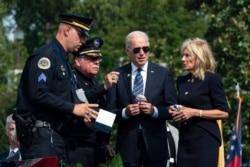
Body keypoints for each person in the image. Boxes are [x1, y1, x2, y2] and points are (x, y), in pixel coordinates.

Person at [13, 13, 99, 164]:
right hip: (42, 138)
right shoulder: (46, 56)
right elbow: (38, 94)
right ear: (67, 30)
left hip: (57, 138)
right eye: (81, 35)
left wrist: (84, 115)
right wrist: (74, 108)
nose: (83, 41)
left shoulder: (63, 60)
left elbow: (70, 96)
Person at [105, 31, 178, 167]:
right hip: (128, 147)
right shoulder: (117, 74)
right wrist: (124, 113)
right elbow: (107, 114)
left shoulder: (163, 74)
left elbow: (173, 109)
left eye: (146, 49)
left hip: (155, 146)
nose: (142, 53)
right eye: (137, 49)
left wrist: (154, 111)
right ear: (128, 51)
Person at [169, 37, 229, 167]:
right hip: (185, 138)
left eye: (187, 55)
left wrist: (195, 112)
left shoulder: (212, 79)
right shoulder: (182, 81)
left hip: (205, 139)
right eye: (182, 55)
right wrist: (176, 111)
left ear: (199, 57)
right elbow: (184, 107)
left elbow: (224, 112)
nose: (182, 59)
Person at [67, 37, 118, 166]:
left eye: (98, 59)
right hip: (77, 148)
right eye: (91, 59)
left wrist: (104, 142)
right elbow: (80, 101)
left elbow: (104, 114)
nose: (96, 62)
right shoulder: (71, 79)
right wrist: (104, 88)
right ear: (77, 61)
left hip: (96, 148)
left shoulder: (94, 82)